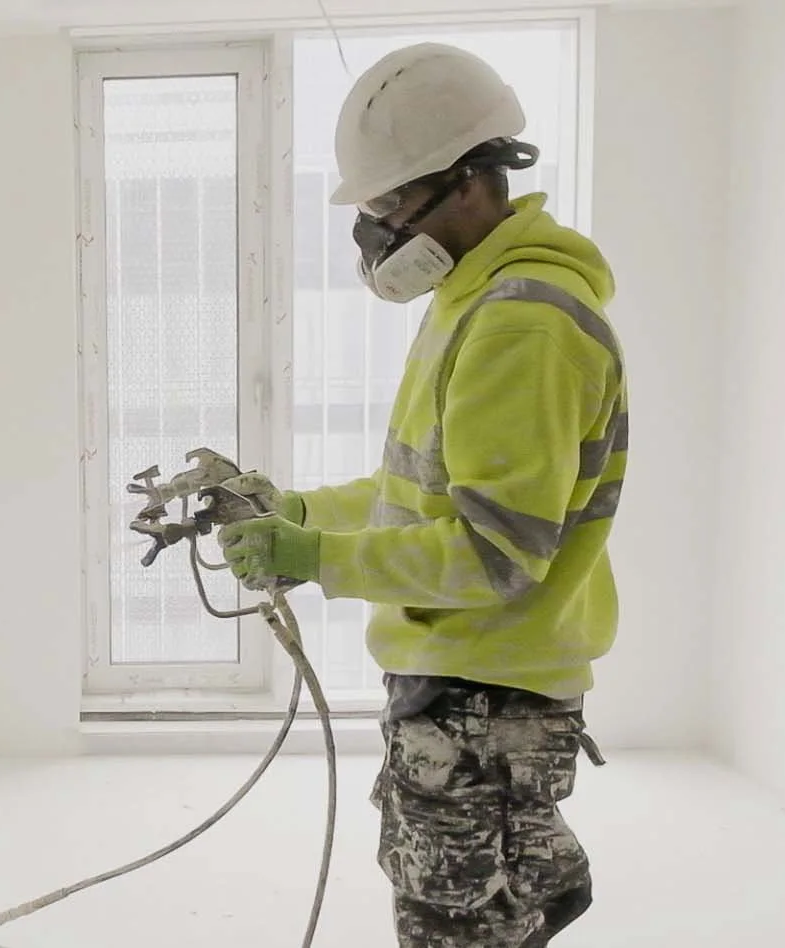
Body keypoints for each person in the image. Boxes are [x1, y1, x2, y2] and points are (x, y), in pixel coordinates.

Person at [216, 43, 627, 948]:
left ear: (473, 181)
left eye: (391, 204)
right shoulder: (475, 298)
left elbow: (493, 554)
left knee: (453, 927)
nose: (377, 234)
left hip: (489, 695)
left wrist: (314, 561)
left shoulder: (521, 323)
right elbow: (421, 493)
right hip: (477, 681)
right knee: (481, 900)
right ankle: (534, 882)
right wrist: (301, 512)